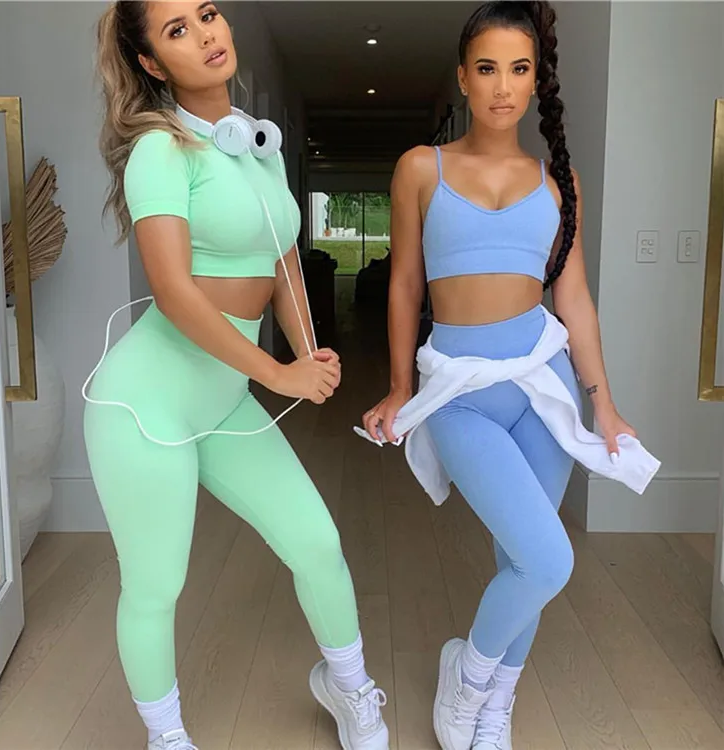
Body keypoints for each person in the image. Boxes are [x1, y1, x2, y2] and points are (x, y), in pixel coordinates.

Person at [87, 3, 389, 749]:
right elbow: (173, 292)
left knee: (316, 542)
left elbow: (283, 259)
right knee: (156, 585)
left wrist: (309, 349)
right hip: (147, 403)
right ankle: (167, 739)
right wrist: (277, 374)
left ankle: (350, 687)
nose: (206, 34)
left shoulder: (258, 146)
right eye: (177, 30)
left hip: (222, 399)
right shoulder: (161, 151)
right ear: (152, 64)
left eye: (208, 13)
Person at [360, 3, 659, 750]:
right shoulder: (420, 168)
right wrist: (399, 387)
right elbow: (404, 284)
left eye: (519, 70)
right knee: (548, 558)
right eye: (487, 68)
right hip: (461, 391)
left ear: (534, 82)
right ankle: (466, 675)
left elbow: (573, 298)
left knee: (521, 558)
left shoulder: (559, 182)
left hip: (540, 384)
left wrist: (604, 405)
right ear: (463, 78)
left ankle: (495, 703)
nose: (502, 86)